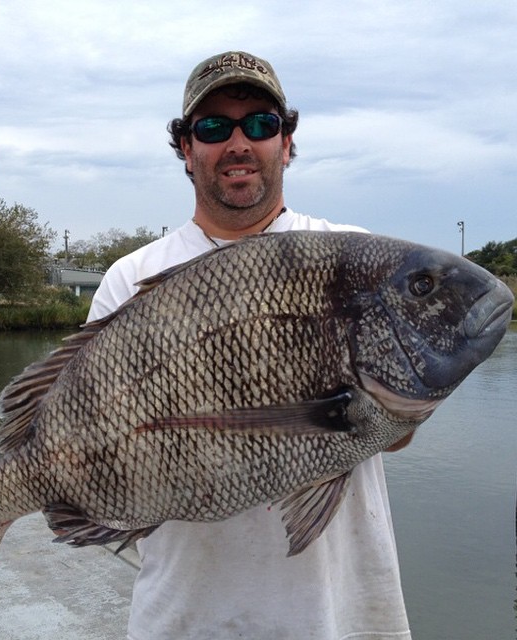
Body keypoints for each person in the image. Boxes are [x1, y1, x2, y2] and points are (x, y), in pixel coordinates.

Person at [88, 51, 413, 640]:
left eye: (259, 123)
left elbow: (393, 431)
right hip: (184, 619)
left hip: (337, 617)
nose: (238, 141)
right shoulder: (129, 279)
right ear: (186, 149)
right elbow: (98, 439)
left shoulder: (351, 256)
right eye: (213, 127)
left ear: (286, 142)